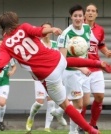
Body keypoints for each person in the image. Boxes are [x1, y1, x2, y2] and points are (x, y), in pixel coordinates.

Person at [0, 11, 103, 134]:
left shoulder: (5, 46)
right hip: (57, 60)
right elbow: (39, 31)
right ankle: (98, 64)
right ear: (15, 21)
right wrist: (51, 29)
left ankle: (90, 130)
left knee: (66, 105)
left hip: (48, 75)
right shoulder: (24, 27)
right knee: (66, 62)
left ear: (2, 27)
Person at [50, 4, 92, 134]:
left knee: (85, 102)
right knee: (78, 105)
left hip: (83, 70)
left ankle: (59, 111)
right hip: (71, 73)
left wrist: (86, 65)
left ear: (84, 17)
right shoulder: (65, 35)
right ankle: (73, 131)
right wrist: (81, 68)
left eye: (80, 16)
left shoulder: (87, 29)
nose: (78, 18)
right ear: (71, 17)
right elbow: (63, 61)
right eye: (75, 16)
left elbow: (86, 50)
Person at [26, 23, 66, 133]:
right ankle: (31, 118)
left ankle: (47, 127)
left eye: (49, 28)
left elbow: (60, 59)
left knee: (51, 102)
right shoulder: (38, 44)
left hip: (51, 76)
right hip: (40, 77)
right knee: (39, 103)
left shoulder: (54, 44)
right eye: (45, 28)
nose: (47, 30)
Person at [78, 3, 111, 134]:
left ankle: (93, 124)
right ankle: (81, 125)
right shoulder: (79, 27)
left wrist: (106, 52)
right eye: (88, 11)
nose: (90, 13)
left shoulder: (100, 30)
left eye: (93, 11)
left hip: (96, 67)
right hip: (83, 68)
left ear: (97, 14)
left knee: (99, 96)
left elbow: (101, 44)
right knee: (83, 101)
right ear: (85, 14)